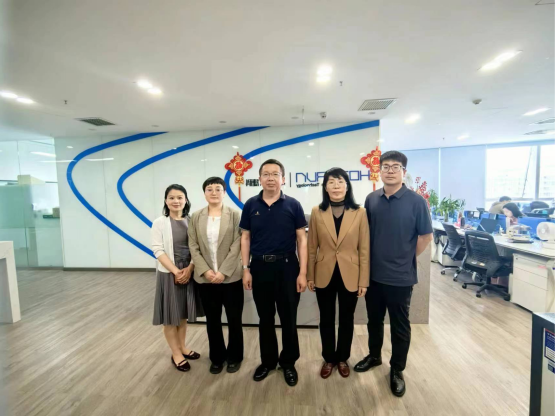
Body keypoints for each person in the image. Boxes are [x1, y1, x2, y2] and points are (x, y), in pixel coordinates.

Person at [355, 151, 434, 398]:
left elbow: (426, 237)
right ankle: (374, 356)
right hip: (373, 275)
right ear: (379, 170)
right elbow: (366, 234)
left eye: (395, 167)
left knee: (400, 326)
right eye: (386, 166)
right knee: (374, 321)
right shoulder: (371, 199)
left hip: (400, 277)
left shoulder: (416, 201)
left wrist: (407, 257)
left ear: (403, 172)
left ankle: (397, 369)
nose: (390, 171)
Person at [240, 159, 308, 387]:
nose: (271, 178)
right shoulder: (251, 205)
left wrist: (303, 273)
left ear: (283, 178)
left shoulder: (293, 205)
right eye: (266, 174)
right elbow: (245, 238)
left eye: (275, 174)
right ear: (260, 178)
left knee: (289, 318)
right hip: (259, 268)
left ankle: (288, 363)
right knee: (265, 318)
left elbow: (302, 240)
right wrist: (246, 269)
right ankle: (268, 362)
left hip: (288, 268)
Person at [307, 168, 370, 380]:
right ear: (325, 187)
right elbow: (311, 247)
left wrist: (363, 280)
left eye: (340, 181)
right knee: (326, 319)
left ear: (347, 186)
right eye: (331, 182)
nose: (336, 186)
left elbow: (364, 249)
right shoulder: (317, 212)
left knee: (346, 319)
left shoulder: (359, 212)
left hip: (350, 274)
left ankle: (343, 358)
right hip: (323, 273)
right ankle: (329, 359)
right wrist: (310, 276)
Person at [189, 177, 244, 375]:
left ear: (224, 192)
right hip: (205, 279)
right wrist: (205, 270)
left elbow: (238, 244)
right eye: (209, 189)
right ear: (204, 193)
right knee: (212, 320)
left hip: (230, 278)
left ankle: (235, 357)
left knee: (234, 320)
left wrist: (223, 272)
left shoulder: (235, 215)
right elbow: (193, 245)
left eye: (218, 189)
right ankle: (217, 358)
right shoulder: (196, 216)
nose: (214, 192)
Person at [152, 184, 204, 372]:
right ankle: (176, 353)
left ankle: (183, 347)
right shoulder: (160, 222)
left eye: (180, 197)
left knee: (182, 315)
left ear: (186, 200)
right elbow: (158, 250)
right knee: (170, 317)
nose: (176, 201)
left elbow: (198, 248)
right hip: (169, 274)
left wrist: (189, 269)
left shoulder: (192, 221)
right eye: (172, 198)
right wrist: (176, 272)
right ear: (166, 201)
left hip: (189, 271)